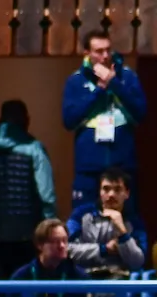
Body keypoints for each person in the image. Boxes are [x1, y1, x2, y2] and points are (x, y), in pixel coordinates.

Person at [0, 99, 57, 281]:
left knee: (2, 286)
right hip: (29, 232)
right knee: (26, 288)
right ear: (26, 120)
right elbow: (46, 194)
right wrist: (50, 229)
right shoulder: (35, 149)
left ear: (0, 119)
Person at [62, 30, 146, 207]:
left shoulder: (127, 77)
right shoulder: (75, 81)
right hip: (89, 168)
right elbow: (69, 121)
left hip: (122, 166)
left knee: (125, 223)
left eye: (108, 50)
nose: (105, 56)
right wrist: (99, 91)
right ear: (87, 54)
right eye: (99, 51)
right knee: (85, 221)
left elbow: (141, 114)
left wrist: (114, 83)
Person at [69, 168, 149, 278]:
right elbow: (68, 250)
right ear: (100, 192)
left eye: (117, 190)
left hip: (119, 281)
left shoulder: (135, 222)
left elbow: (137, 262)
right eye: (106, 189)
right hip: (85, 278)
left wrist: (122, 233)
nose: (111, 194)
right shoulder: (80, 215)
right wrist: (104, 249)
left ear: (127, 193)